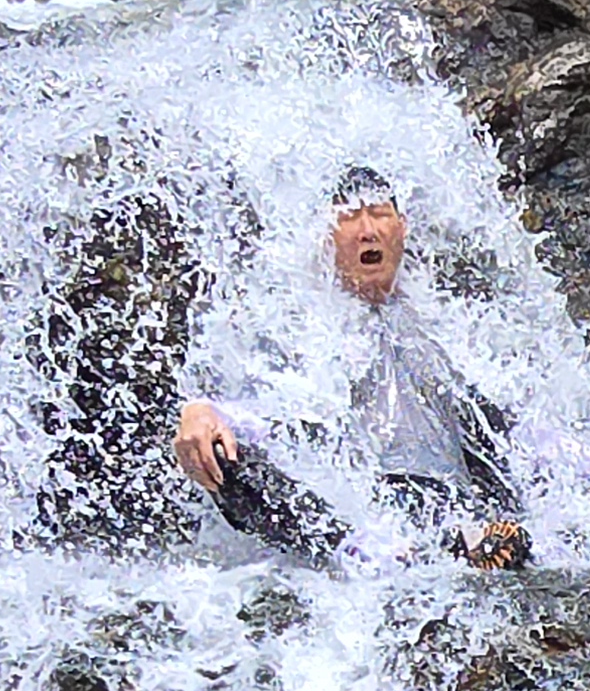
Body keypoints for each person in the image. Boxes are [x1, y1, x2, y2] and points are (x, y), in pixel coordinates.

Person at [169, 182, 530, 569]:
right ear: (325, 236)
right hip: (341, 516)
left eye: (379, 213)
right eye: (349, 216)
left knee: (484, 424)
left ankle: (470, 545)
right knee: (221, 452)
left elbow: (510, 420)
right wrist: (202, 411)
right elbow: (267, 415)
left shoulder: (445, 316)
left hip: (443, 499)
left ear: (401, 227)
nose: (367, 230)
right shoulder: (294, 319)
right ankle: (367, 554)